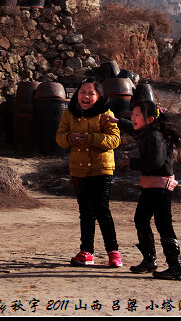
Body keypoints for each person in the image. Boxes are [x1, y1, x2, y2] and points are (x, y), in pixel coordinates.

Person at [110, 99, 181, 280]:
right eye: (133, 115)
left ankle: (175, 267)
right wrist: (119, 122)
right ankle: (150, 260)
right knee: (141, 219)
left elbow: (156, 162)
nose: (133, 119)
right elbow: (132, 129)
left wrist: (132, 163)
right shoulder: (146, 132)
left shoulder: (154, 136)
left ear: (150, 119)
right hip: (151, 187)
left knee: (163, 224)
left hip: (161, 188)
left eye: (137, 116)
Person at [56, 77, 122, 267]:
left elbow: (114, 140)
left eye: (90, 93)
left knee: (102, 208)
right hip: (79, 169)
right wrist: (71, 137)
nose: (85, 96)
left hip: (102, 168)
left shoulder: (106, 114)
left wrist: (91, 138)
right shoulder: (70, 113)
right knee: (85, 211)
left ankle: (113, 252)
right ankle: (87, 251)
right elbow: (59, 137)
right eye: (82, 92)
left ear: (98, 96)